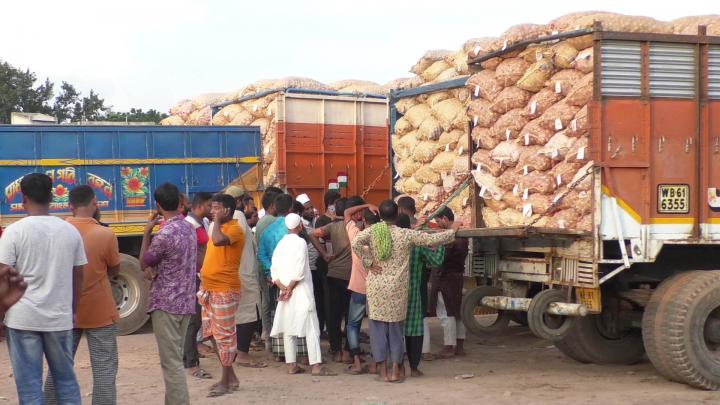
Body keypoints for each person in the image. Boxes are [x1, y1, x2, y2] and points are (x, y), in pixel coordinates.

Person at [0, 173, 87, 404]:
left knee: (29, 389)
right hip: (59, 318)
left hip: (22, 319)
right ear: (51, 197)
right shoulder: (69, 231)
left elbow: (2, 276)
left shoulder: (13, 232)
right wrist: (74, 309)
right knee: (66, 383)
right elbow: (79, 276)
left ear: (23, 197)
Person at [351, 200, 456, 383]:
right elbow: (431, 239)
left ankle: (382, 373)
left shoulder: (373, 232)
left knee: (378, 332)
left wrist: (368, 262)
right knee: (396, 332)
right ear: (397, 214)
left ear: (380, 216)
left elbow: (356, 243)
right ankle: (394, 372)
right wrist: (453, 230)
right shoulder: (405, 235)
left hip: (377, 289)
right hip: (397, 290)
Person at [44, 185, 121, 405]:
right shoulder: (105, 234)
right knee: (104, 370)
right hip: (100, 312)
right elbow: (115, 270)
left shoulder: (57, 232)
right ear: (95, 204)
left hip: (65, 311)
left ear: (69, 206)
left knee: (58, 367)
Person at [140, 183, 197, 405]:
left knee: (172, 363)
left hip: (166, 304)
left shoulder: (164, 234)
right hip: (185, 303)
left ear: (157, 205)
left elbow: (144, 260)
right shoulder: (188, 228)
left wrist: (146, 232)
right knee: (174, 360)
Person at [270, 213, 335, 376]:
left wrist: (283, 288)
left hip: (285, 290)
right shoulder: (300, 243)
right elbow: (300, 269)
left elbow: (274, 269)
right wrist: (290, 287)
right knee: (312, 328)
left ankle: (291, 365)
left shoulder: (281, 244)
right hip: (300, 290)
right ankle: (316, 366)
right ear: (299, 226)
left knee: (288, 327)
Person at [199, 194, 245, 397]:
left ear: (227, 210)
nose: (212, 211)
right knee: (214, 335)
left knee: (224, 338)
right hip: (210, 288)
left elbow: (218, 242)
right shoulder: (217, 226)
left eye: (216, 208)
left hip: (225, 289)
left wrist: (216, 221)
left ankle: (226, 382)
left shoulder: (234, 228)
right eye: (212, 208)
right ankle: (230, 378)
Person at [310, 197, 353, 363]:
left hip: (333, 275)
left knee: (333, 314)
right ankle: (350, 350)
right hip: (352, 277)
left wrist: (324, 254)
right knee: (351, 316)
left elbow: (311, 234)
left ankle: (336, 351)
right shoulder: (356, 227)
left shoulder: (331, 227)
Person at [342, 198, 379, 375]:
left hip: (358, 287)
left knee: (353, 325)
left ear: (364, 221)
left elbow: (347, 213)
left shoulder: (356, 236)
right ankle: (375, 362)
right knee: (377, 325)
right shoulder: (382, 239)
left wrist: (367, 205)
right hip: (377, 288)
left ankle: (356, 362)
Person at [398, 196, 434, 363]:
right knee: (419, 316)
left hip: (399, 283)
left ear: (402, 209)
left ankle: (401, 354)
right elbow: (434, 257)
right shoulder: (423, 227)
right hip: (419, 277)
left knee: (400, 319)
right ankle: (423, 352)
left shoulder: (397, 228)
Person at [430, 208, 469, 359]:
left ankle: (449, 346)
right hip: (456, 277)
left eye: (438, 221)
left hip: (445, 278)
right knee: (456, 312)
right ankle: (459, 346)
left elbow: (441, 256)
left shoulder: (450, 238)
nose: (437, 225)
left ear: (445, 219)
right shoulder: (462, 235)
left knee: (446, 313)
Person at [183, 192, 213, 380]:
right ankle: (191, 362)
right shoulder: (189, 225)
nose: (211, 209)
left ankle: (188, 356)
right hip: (192, 277)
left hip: (199, 275)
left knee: (194, 321)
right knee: (192, 321)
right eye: (209, 206)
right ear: (201, 205)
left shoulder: (201, 223)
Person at [231, 195, 265, 369]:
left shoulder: (237, 218)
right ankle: (242, 353)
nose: (253, 207)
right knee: (248, 314)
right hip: (243, 274)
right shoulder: (238, 217)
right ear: (242, 203)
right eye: (251, 204)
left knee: (245, 313)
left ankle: (239, 350)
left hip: (242, 273)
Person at [255, 188, 281, 349]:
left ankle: (268, 336)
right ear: (273, 205)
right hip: (270, 267)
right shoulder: (272, 221)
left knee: (266, 300)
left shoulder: (261, 221)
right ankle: (272, 336)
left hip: (262, 265)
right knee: (273, 302)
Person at [312, 190, 341, 338]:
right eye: (335, 203)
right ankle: (327, 329)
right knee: (326, 299)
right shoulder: (322, 221)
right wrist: (325, 255)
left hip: (339, 263)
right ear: (330, 204)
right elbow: (318, 239)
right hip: (326, 264)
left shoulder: (339, 220)